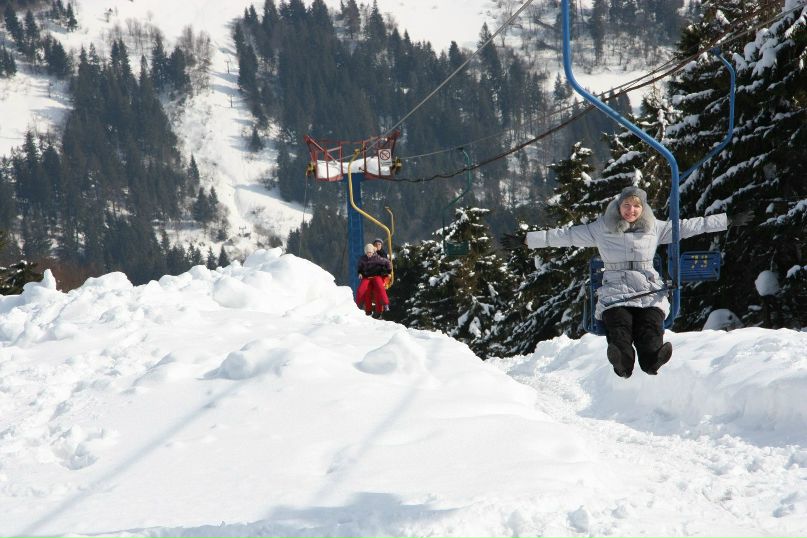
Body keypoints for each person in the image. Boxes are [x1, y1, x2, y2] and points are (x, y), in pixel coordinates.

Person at [505, 186, 751, 378]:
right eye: (626, 205)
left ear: (643, 209)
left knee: (651, 321)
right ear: (618, 206)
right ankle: (622, 360)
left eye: (636, 206)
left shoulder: (655, 228)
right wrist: (528, 240)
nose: (631, 211)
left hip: (647, 287)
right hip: (615, 286)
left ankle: (652, 358)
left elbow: (688, 226)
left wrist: (727, 221)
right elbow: (565, 235)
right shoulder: (602, 228)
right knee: (619, 322)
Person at [356, 243, 392, 317]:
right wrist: (360, 273)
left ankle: (385, 304)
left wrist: (389, 272)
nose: (369, 254)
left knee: (380, 288)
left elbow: (387, 262)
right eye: (367, 253)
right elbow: (360, 267)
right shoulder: (362, 259)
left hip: (376, 276)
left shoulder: (377, 258)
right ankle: (358, 305)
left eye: (370, 252)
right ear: (365, 253)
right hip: (367, 277)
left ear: (373, 252)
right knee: (361, 290)